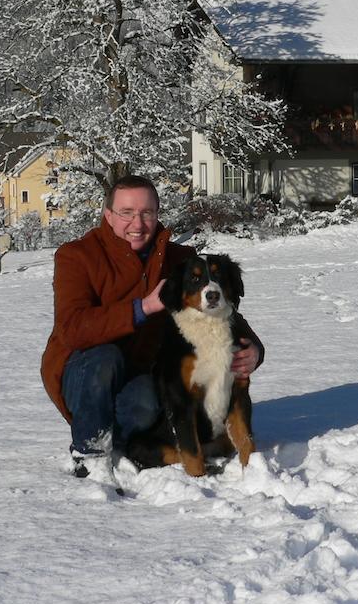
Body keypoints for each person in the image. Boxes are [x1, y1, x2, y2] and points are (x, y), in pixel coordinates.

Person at [40, 175, 264, 485]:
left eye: (147, 212)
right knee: (104, 358)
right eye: (127, 212)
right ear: (108, 215)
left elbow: (220, 312)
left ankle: (126, 448)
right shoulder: (76, 256)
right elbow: (72, 329)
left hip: (141, 374)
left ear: (157, 214)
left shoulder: (179, 259)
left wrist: (254, 348)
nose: (138, 222)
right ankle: (89, 454)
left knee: (147, 402)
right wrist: (142, 308)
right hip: (84, 373)